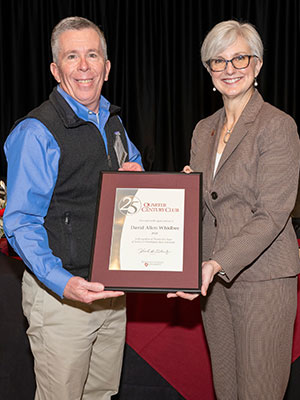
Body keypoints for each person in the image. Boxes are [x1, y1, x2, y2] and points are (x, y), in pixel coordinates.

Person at [4, 16, 143, 400]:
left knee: (100, 394)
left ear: (107, 67)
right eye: (72, 56)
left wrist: (138, 175)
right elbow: (20, 223)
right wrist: (62, 283)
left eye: (92, 55)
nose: (84, 66)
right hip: (62, 298)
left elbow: (132, 164)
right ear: (55, 69)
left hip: (111, 292)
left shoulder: (113, 122)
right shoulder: (36, 132)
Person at [168, 20, 300, 399]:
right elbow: (203, 206)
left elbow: (273, 213)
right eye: (218, 61)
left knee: (259, 391)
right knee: (226, 389)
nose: (230, 69)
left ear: (257, 65)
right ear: (208, 70)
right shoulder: (203, 129)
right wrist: (178, 193)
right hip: (214, 283)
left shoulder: (277, 126)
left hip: (262, 282)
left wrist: (215, 263)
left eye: (239, 58)